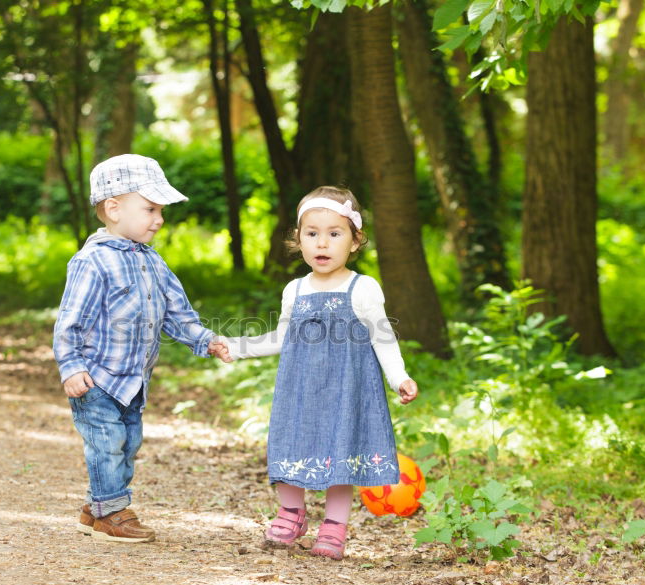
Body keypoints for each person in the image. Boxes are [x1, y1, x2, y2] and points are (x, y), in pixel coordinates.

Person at [221, 185, 418, 560]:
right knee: (290, 444)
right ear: (299, 239)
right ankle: (291, 512)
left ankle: (334, 525)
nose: (322, 244)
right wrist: (237, 347)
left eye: (334, 233)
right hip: (300, 388)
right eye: (312, 234)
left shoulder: (362, 288)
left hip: (346, 389)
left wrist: (399, 377)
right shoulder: (294, 290)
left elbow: (384, 337)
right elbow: (282, 336)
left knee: (340, 453)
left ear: (355, 241)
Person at [53, 154, 230, 544]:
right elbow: (70, 320)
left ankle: (95, 505)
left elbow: (176, 313)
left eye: (161, 210)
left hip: (133, 380)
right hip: (96, 378)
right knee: (107, 442)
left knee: (128, 444)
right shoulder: (92, 261)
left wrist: (204, 340)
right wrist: (71, 366)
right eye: (150, 208)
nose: (159, 219)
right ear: (113, 209)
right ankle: (111, 512)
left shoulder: (153, 262)